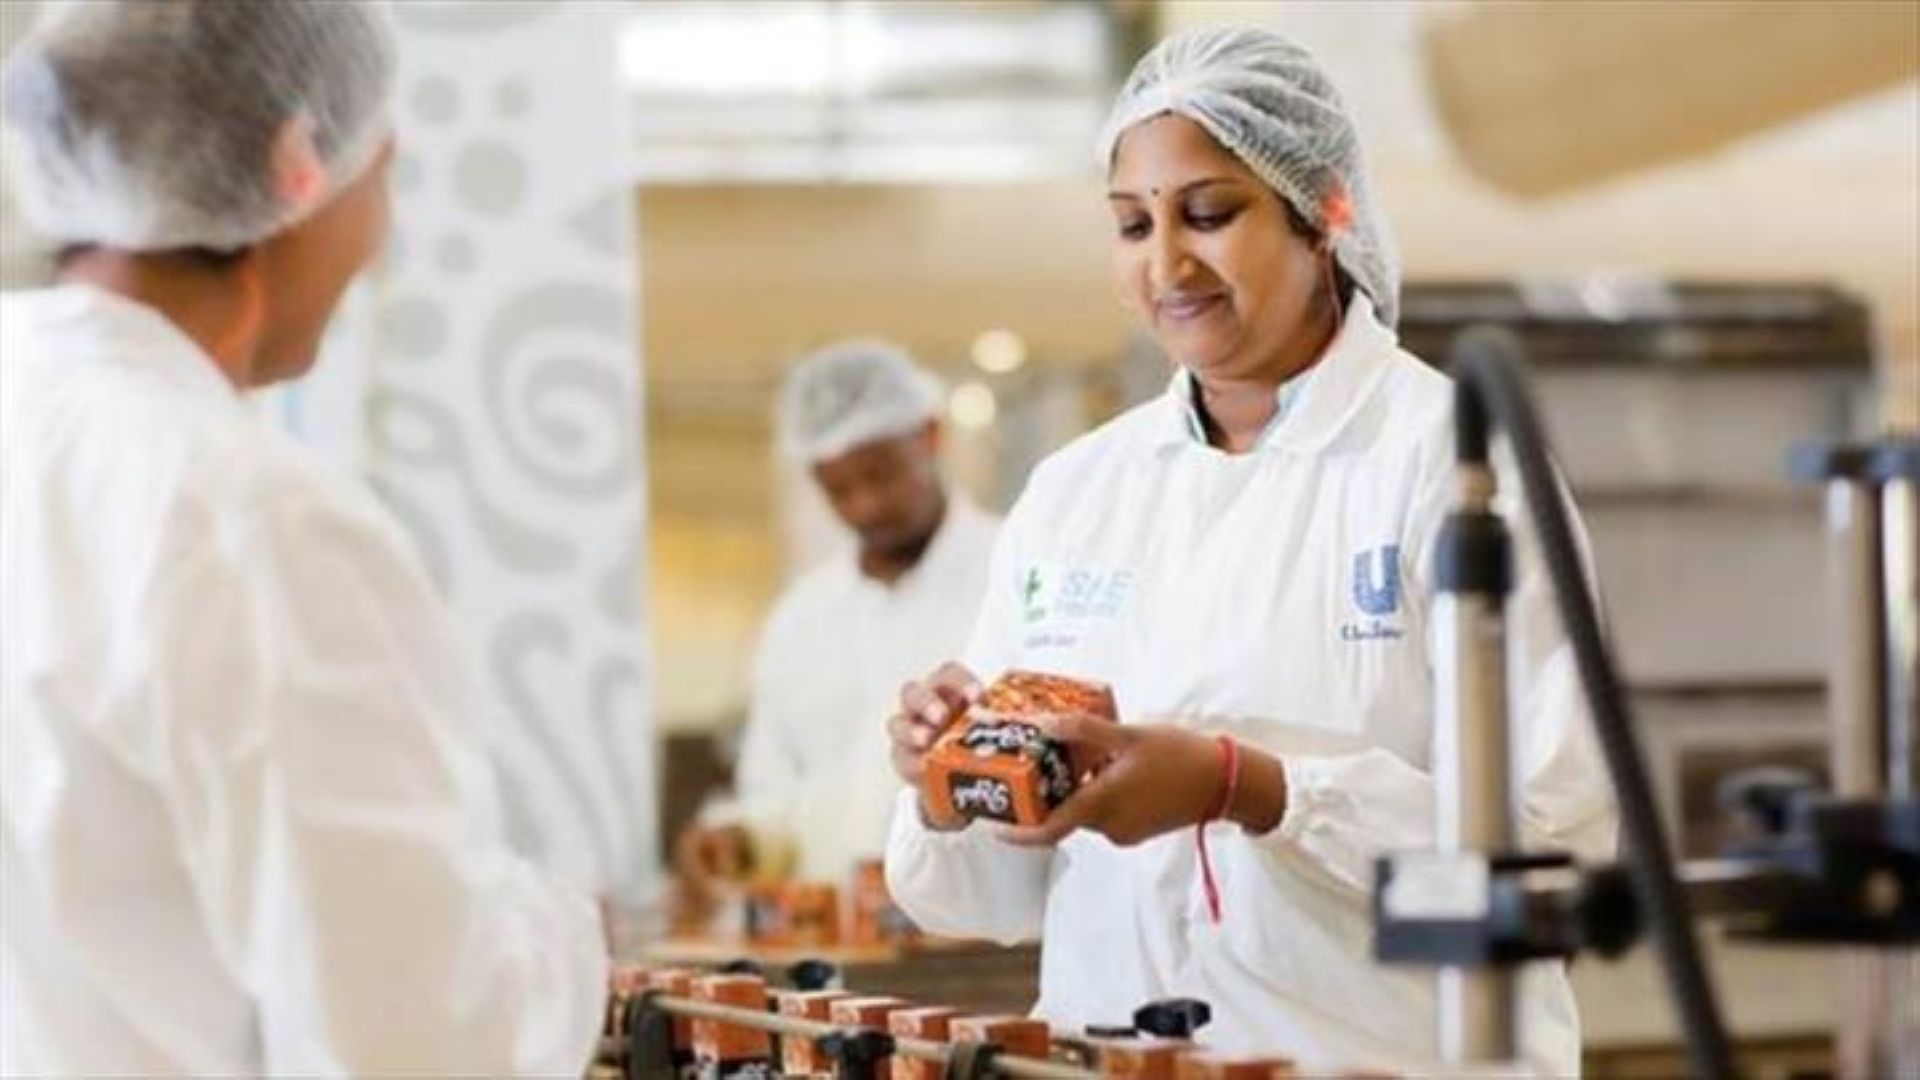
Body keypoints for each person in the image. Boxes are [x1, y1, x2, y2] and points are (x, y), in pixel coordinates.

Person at [882, 27, 1617, 1076]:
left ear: (1326, 211)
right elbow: (981, 901)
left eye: (1211, 213)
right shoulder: (1078, 493)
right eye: (1133, 224)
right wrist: (952, 777)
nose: (1166, 263)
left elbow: (1555, 850)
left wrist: (1250, 788)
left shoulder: (1453, 465)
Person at [0, 3, 606, 1075]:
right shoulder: (242, 516)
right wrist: (563, 935)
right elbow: (418, 1040)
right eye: (383, 166)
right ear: (298, 167)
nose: (381, 230)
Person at [675, 341, 999, 910]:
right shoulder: (801, 619)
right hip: (838, 940)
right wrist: (739, 839)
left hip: (986, 931)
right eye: (840, 490)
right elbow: (776, 792)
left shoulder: (1015, 574)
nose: (867, 505)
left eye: (882, 475)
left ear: (930, 437)